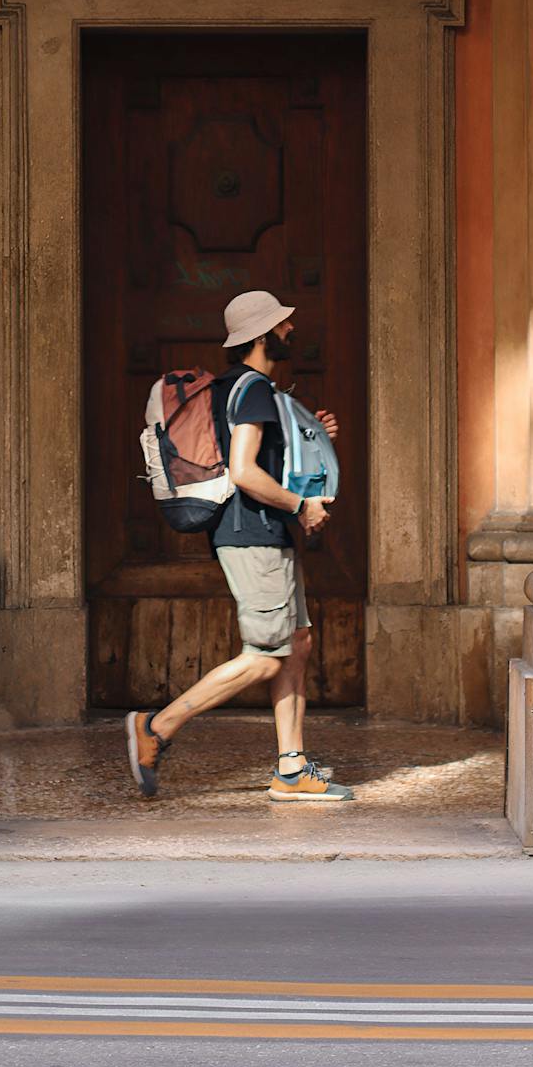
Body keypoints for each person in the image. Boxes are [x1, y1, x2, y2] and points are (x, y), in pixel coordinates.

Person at [125, 289, 354, 803]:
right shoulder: (252, 390)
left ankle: (291, 770)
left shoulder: (242, 388)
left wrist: (313, 430)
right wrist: (302, 506)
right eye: (282, 324)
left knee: (297, 644)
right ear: (261, 335)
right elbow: (246, 470)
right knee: (269, 654)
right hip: (252, 533)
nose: (291, 330)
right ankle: (156, 726)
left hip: (261, 533)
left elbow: (261, 454)